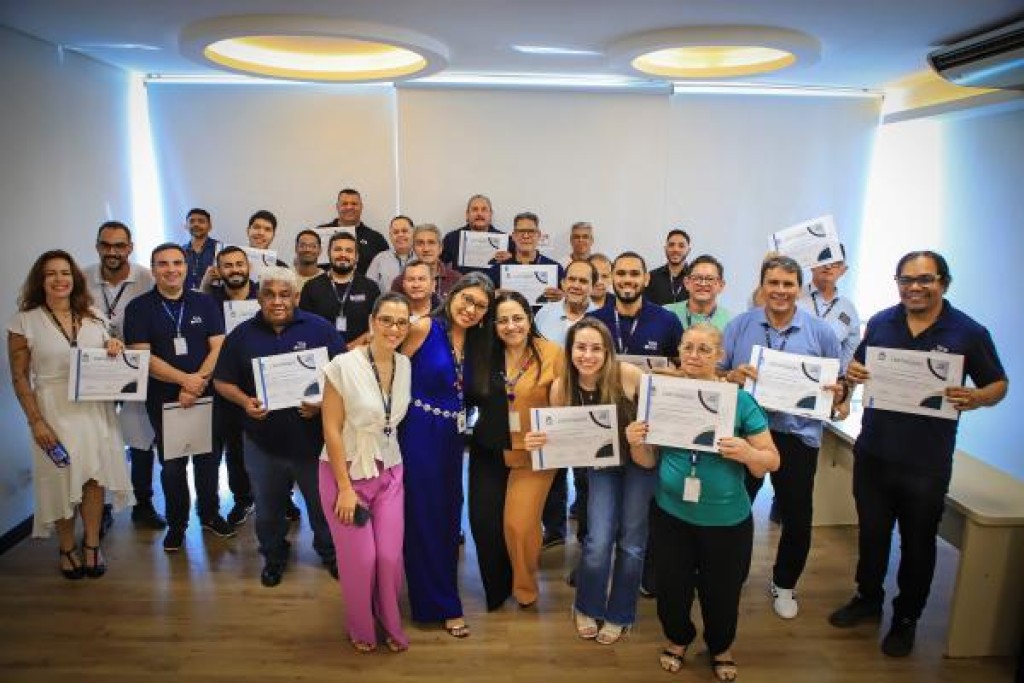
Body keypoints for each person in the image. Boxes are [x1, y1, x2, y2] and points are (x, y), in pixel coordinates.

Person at [828, 251, 1007, 657]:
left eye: (925, 279)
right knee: (872, 535)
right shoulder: (881, 322)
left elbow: (998, 383)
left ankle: (906, 618)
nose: (914, 287)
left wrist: (977, 397)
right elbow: (857, 367)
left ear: (943, 282)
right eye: (906, 279)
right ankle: (868, 598)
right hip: (874, 452)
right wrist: (852, 377)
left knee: (918, 543)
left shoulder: (968, 332)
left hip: (926, 461)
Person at [650, 324, 779, 681]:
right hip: (671, 514)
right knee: (671, 590)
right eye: (688, 347)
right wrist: (636, 440)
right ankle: (678, 638)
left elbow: (771, 460)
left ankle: (721, 646)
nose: (694, 355)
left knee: (721, 593)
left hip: (726, 521)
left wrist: (748, 452)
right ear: (678, 350)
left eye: (704, 349)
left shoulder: (740, 401)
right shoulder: (663, 395)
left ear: (719, 355)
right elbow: (646, 460)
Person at [720, 255, 844, 619]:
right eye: (773, 282)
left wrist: (838, 394)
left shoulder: (821, 332)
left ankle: (785, 583)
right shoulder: (740, 326)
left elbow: (838, 387)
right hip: (747, 434)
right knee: (735, 507)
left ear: (799, 289)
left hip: (797, 435)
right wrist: (731, 377)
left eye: (788, 284)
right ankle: (731, 574)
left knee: (797, 513)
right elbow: (718, 373)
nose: (780, 290)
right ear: (762, 285)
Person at [524, 318, 654, 644]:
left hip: (641, 463)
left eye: (597, 348)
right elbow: (561, 442)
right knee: (597, 541)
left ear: (608, 352)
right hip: (602, 466)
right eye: (580, 347)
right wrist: (541, 442)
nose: (588, 355)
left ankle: (621, 612)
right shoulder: (561, 387)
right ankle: (586, 606)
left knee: (632, 543)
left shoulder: (629, 375)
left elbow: (658, 420)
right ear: (570, 351)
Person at [212, 267, 344, 586]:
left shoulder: (321, 329)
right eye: (269, 294)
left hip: (314, 443)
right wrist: (245, 401)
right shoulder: (241, 335)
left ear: (296, 297)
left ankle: (331, 553)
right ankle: (273, 555)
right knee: (268, 510)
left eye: (285, 294)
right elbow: (221, 381)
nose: (277, 301)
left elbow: (344, 377)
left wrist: (322, 404)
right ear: (259, 298)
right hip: (263, 443)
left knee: (323, 507)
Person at [8, 250, 134, 578]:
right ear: (40, 280)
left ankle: (91, 544)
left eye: (65, 272)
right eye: (51, 273)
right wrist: (36, 421)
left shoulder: (93, 316)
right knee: (61, 481)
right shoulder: (24, 321)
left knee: (94, 478)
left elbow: (109, 353)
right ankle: (66, 547)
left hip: (94, 409)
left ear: (74, 278)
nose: (59, 279)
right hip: (53, 411)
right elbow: (19, 377)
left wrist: (115, 347)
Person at [399, 273, 495, 637]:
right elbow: (389, 371)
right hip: (417, 433)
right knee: (424, 519)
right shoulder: (424, 327)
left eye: (480, 306)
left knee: (448, 518)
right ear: (452, 294)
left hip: (452, 440)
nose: (470, 309)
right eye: (466, 299)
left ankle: (438, 596)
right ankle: (438, 605)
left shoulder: (478, 342)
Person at [124, 243, 234, 552]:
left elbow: (219, 346)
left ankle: (210, 514)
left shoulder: (205, 303)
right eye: (163, 264)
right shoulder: (139, 308)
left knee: (208, 460)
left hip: (205, 395)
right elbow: (142, 357)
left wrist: (196, 383)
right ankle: (177, 524)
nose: (171, 269)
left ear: (186, 267)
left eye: (177, 263)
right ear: (153, 269)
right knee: (172, 467)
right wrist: (185, 381)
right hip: (164, 400)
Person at [319, 293, 413, 652]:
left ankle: (390, 622)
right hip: (345, 473)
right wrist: (344, 488)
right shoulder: (343, 365)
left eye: (401, 322)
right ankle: (360, 626)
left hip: (389, 471)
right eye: (386, 320)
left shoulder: (405, 365)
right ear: (372, 321)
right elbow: (331, 429)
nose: (394, 328)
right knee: (362, 560)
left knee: (389, 557)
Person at [467, 291, 563, 610]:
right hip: (491, 447)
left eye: (518, 318)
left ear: (529, 318)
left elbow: (567, 406)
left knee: (519, 525)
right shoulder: (484, 353)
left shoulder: (552, 353)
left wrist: (550, 431)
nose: (511, 326)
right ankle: (497, 589)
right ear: (493, 325)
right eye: (503, 320)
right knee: (485, 523)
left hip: (536, 453)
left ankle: (524, 585)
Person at [83, 221, 165, 530]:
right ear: (97, 246)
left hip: (135, 366)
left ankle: (143, 503)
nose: (113, 251)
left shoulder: (147, 278)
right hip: (97, 369)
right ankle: (102, 507)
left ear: (130, 248)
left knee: (141, 436)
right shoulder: (82, 278)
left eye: (120, 246)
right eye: (106, 245)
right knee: (100, 437)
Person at [533, 258, 598, 549]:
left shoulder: (601, 318)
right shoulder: (544, 314)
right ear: (563, 282)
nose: (576, 285)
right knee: (554, 472)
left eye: (584, 281)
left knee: (586, 476)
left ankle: (586, 533)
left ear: (593, 286)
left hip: (588, 406)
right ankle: (555, 529)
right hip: (550, 403)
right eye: (572, 279)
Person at [202, 246, 258, 527]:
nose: (235, 270)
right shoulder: (208, 301)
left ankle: (282, 499)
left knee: (275, 445)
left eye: (239, 264)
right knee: (234, 448)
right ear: (219, 270)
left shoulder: (264, 294)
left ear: (249, 267)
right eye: (228, 265)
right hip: (226, 384)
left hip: (263, 381)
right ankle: (242, 499)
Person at [798, 246, 861, 418]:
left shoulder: (848, 309)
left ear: (843, 270)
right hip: (789, 382)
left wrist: (846, 400)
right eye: (824, 260)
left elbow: (850, 362)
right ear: (812, 265)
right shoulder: (793, 296)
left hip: (824, 392)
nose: (828, 266)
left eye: (835, 263)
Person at [300, 232, 381, 349]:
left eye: (349, 251)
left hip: (360, 354)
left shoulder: (370, 287)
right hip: (323, 354)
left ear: (357, 257)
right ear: (329, 253)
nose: (343, 254)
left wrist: (350, 348)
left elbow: (377, 326)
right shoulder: (311, 287)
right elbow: (305, 327)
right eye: (338, 249)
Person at [488, 211, 564, 307]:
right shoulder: (497, 269)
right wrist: (494, 295)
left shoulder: (556, 268)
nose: (526, 236)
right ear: (513, 236)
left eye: (531, 231)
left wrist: (563, 297)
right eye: (521, 231)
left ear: (538, 235)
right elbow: (484, 299)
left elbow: (570, 301)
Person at [317, 188, 389, 278]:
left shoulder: (376, 239)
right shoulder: (320, 234)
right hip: (325, 286)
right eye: (345, 204)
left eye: (354, 204)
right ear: (337, 207)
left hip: (365, 286)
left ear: (361, 207)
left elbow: (386, 269)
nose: (349, 207)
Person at [441, 194, 512, 275]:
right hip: (462, 282)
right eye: (475, 209)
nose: (479, 213)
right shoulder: (451, 239)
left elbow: (518, 266)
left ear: (491, 214)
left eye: (484, 210)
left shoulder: (506, 240)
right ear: (467, 214)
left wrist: (510, 260)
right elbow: (439, 265)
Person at [391, 223, 461, 299]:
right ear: (413, 248)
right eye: (420, 243)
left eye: (431, 243)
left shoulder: (456, 279)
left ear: (440, 248)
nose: (426, 249)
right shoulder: (400, 282)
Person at [665, 254, 732, 332]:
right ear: (686, 283)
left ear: (721, 285)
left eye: (710, 279)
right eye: (697, 278)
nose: (703, 284)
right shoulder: (666, 314)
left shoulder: (731, 322)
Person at [366, 215, 414, 290]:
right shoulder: (380, 259)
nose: (400, 235)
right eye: (396, 232)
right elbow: (368, 287)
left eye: (404, 231)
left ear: (413, 233)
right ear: (390, 236)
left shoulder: (421, 257)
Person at [645, 229, 691, 306]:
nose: (676, 249)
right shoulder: (652, 277)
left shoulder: (695, 277)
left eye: (681, 246)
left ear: (688, 250)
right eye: (671, 245)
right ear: (665, 248)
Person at [182, 208, 219, 292]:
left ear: (210, 226)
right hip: (187, 297)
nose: (196, 224)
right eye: (192, 221)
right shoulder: (180, 252)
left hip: (213, 298)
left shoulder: (220, 249)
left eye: (201, 221)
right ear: (186, 226)